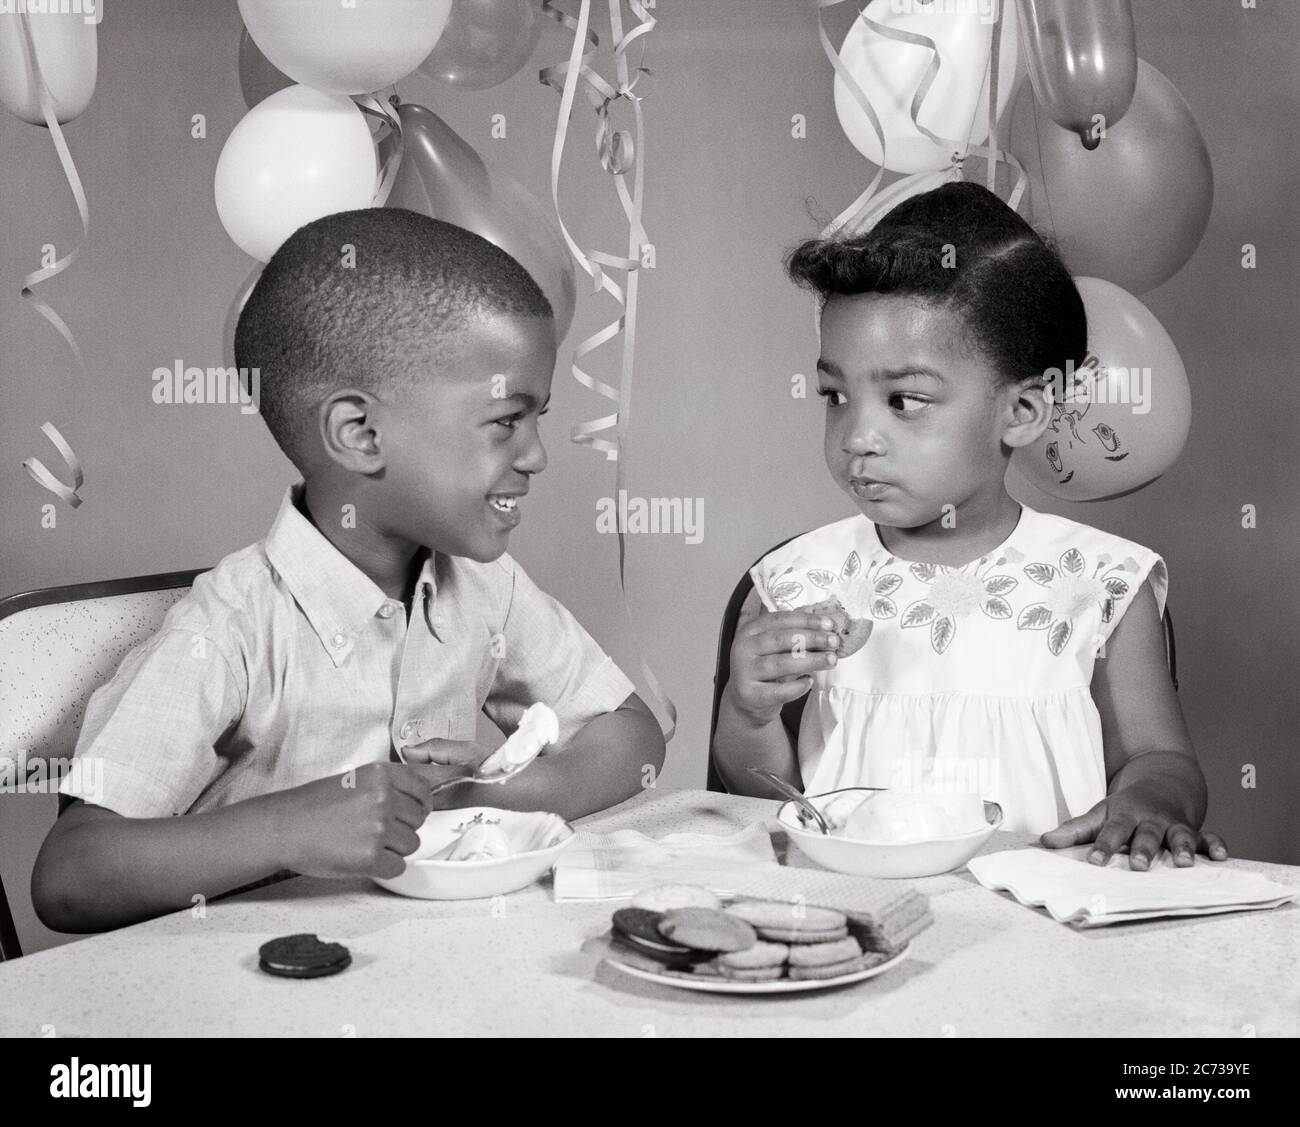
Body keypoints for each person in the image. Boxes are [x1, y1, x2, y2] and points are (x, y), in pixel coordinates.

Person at [33, 208, 664, 932]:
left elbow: (632, 735)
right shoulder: (230, 629)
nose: (536, 455)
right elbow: (69, 875)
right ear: (360, 434)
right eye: (505, 421)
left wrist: (477, 801)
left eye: (539, 419)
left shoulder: (484, 587)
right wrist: (291, 826)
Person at [712, 182, 1226, 868]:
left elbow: (1159, 759)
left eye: (905, 400)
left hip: (1042, 940)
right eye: (836, 395)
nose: (858, 435)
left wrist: (1150, 802)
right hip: (856, 926)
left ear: (1021, 412)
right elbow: (770, 805)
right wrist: (746, 717)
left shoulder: (1096, 588)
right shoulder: (795, 583)